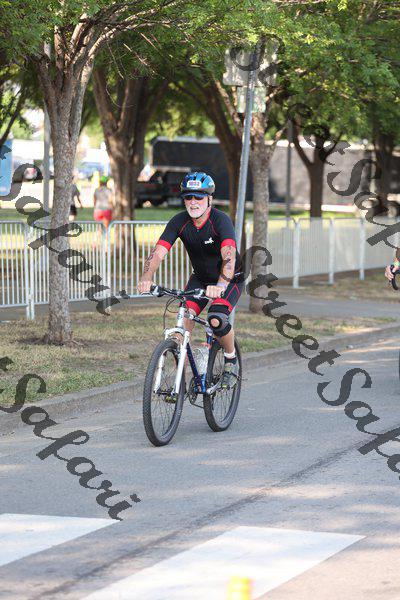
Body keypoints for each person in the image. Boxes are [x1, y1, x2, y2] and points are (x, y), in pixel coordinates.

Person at [137, 171, 244, 389]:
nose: (193, 202)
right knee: (181, 327)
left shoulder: (220, 221)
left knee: (216, 319)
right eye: (188, 197)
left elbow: (229, 257)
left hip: (230, 279)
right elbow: (158, 253)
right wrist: (146, 278)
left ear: (209, 199)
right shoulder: (179, 221)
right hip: (200, 278)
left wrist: (221, 285)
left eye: (199, 197)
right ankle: (182, 381)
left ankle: (231, 359)